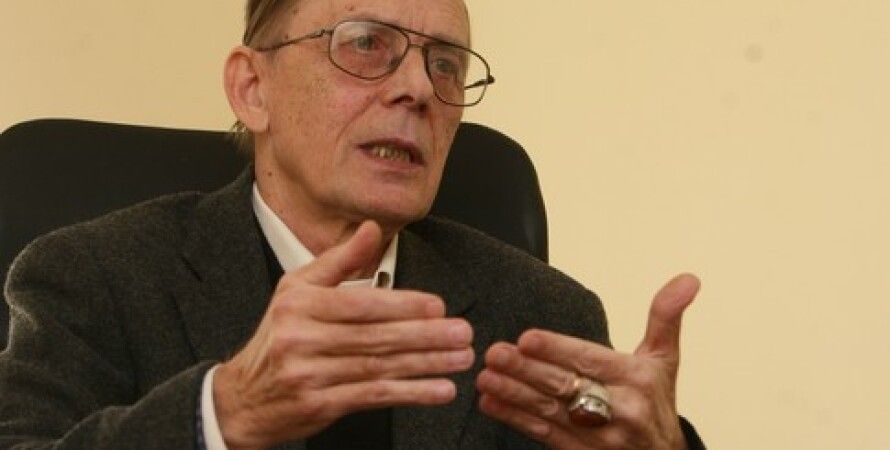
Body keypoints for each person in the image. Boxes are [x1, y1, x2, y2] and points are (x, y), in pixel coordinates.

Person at [0, 0, 705, 448]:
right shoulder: (93, 277)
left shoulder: (542, 312)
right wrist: (224, 413)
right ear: (252, 88)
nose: (418, 89)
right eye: (366, 43)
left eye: (446, 65)